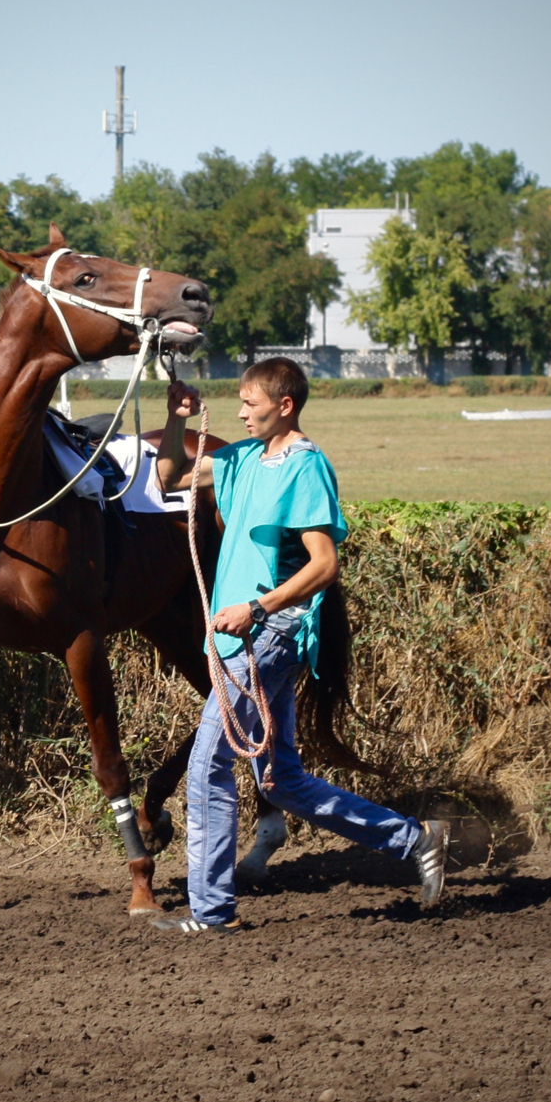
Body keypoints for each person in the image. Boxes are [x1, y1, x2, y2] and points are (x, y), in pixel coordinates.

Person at [152, 357, 449, 934]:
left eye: (251, 403)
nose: (240, 412)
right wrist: (171, 418)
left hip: (268, 636)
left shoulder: (305, 467)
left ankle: (211, 912)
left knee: (208, 763)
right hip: (239, 638)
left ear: (284, 405)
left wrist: (258, 607)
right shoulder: (239, 459)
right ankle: (414, 838)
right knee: (279, 780)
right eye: (238, 402)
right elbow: (166, 479)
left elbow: (325, 565)